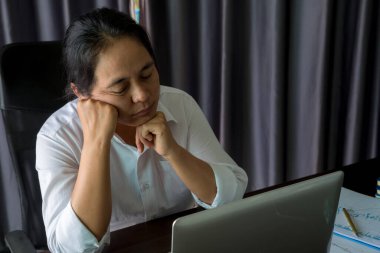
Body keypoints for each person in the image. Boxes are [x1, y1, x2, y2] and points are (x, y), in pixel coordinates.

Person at [36, 7, 248, 253]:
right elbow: (69, 248)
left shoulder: (179, 105)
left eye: (147, 74)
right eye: (120, 88)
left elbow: (232, 196)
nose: (142, 96)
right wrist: (96, 143)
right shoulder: (56, 137)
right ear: (81, 93)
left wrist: (173, 151)